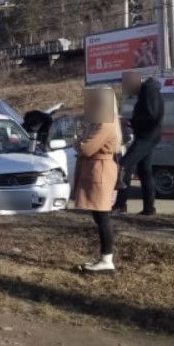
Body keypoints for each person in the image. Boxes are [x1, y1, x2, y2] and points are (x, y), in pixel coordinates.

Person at [72, 86, 122, 273]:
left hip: (100, 171)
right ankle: (104, 257)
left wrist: (78, 142)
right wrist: (80, 143)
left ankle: (107, 260)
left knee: (102, 216)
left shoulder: (105, 124)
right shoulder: (97, 123)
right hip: (95, 169)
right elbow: (83, 144)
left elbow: (86, 148)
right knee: (99, 215)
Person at [114, 70, 164, 215]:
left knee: (124, 165)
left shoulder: (149, 91)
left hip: (147, 137)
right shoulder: (146, 91)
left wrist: (130, 122)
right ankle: (149, 208)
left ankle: (120, 205)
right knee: (145, 172)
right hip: (147, 136)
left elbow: (150, 116)